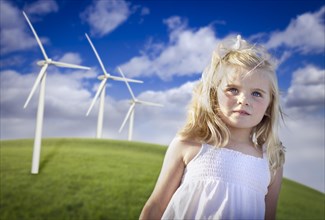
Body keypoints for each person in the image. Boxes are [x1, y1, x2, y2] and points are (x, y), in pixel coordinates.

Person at [139, 35, 285, 220]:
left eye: (256, 93)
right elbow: (156, 206)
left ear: (269, 106)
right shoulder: (189, 144)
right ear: (214, 95)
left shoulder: (271, 162)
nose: (243, 100)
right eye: (233, 89)